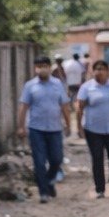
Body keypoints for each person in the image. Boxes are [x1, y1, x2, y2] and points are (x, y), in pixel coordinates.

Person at [18, 56, 71, 202]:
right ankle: (43, 193)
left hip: (55, 128)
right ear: (35, 68)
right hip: (36, 129)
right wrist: (21, 127)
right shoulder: (30, 86)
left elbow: (64, 105)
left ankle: (48, 181)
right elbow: (23, 107)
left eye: (45, 65)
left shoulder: (57, 84)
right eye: (39, 66)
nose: (42, 68)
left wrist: (68, 124)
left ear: (49, 67)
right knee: (39, 162)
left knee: (56, 159)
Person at [74, 59, 109, 198]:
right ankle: (100, 189)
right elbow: (79, 108)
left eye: (102, 68)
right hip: (93, 130)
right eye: (96, 68)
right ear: (92, 71)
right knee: (97, 159)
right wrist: (79, 127)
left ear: (107, 71)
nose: (99, 71)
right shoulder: (87, 87)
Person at [61, 51, 86, 137]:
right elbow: (83, 74)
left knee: (68, 106)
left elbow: (64, 74)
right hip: (77, 86)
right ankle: (79, 129)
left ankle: (70, 128)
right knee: (78, 107)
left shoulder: (67, 63)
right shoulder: (80, 64)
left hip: (69, 86)